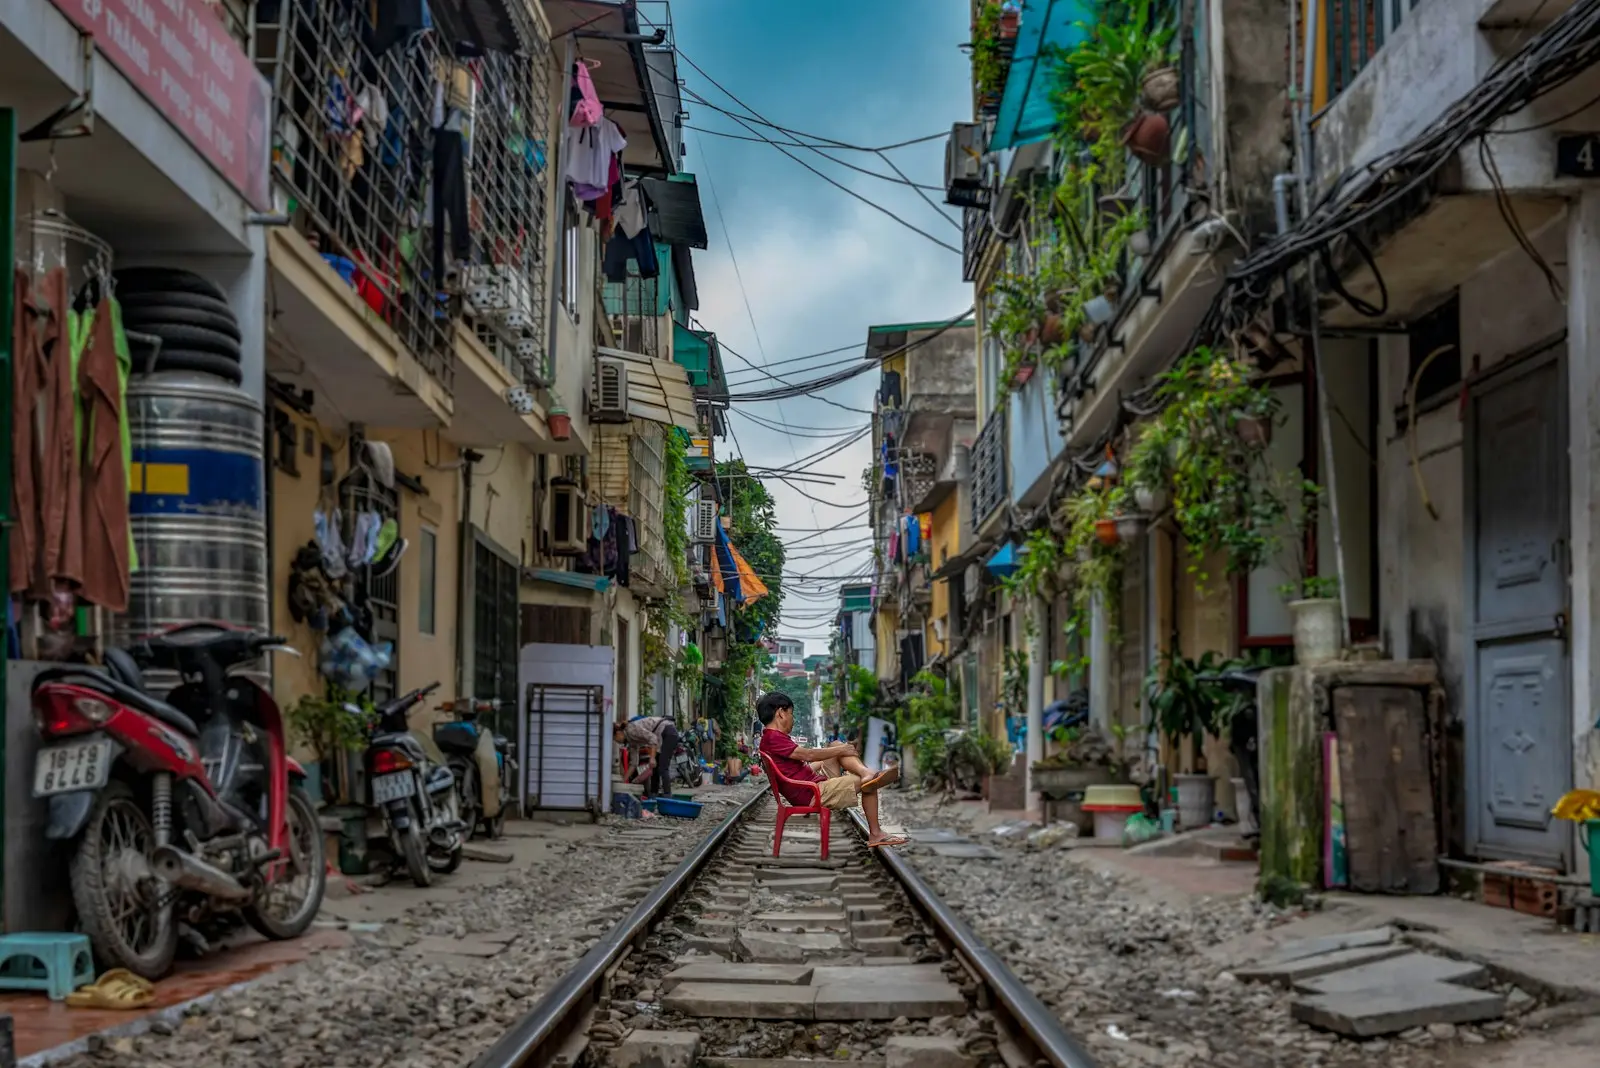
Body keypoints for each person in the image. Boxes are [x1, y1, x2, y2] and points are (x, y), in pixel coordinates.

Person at [755, 692, 907, 848]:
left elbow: (799, 767)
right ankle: (876, 833)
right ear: (781, 713)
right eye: (791, 714)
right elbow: (809, 755)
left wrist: (838, 750)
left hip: (810, 787)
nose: (793, 719)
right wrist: (841, 751)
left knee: (835, 745)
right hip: (812, 793)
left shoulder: (769, 738)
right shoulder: (774, 738)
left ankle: (864, 772)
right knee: (869, 782)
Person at [615, 715, 679, 797]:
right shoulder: (631, 741)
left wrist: (652, 758)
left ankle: (667, 796)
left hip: (668, 733)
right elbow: (634, 763)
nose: (617, 742)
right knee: (655, 769)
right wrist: (623, 783)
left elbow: (653, 738)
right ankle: (653, 796)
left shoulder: (631, 729)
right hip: (661, 737)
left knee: (663, 767)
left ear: (618, 733)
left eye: (615, 739)